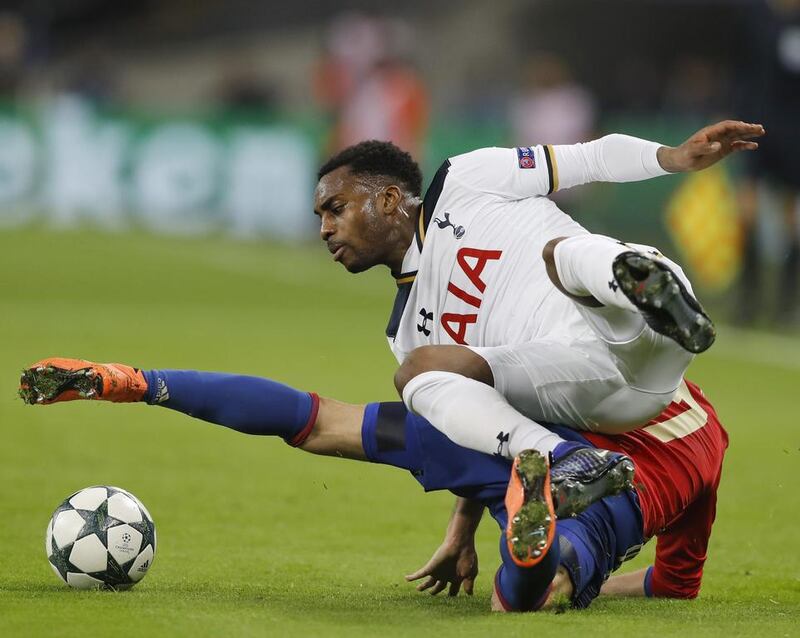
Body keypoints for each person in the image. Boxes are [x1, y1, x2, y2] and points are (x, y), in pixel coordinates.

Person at [19, 357, 727, 610]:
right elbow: (673, 585)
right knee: (549, 586)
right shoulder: (709, 449)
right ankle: (539, 552)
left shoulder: (625, 381)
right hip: (610, 494)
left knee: (322, 420)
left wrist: (463, 521)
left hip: (505, 439)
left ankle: (139, 382)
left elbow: (506, 416)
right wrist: (607, 581)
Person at [312, 120, 759, 478]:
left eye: (336, 209)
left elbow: (591, 157)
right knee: (415, 375)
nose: (325, 230)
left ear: (389, 199)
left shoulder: (466, 179)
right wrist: (461, 529)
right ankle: (568, 463)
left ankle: (659, 296)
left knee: (561, 254)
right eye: (321, 218)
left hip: (628, 323)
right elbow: (483, 422)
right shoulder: (409, 334)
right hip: (596, 391)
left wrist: (674, 157)